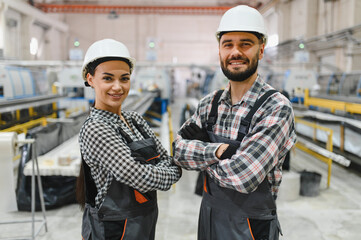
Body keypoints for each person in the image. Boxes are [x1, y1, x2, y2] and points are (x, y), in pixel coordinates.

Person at [173, 5, 296, 240]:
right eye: (228, 44)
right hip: (209, 217)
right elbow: (178, 151)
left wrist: (199, 154)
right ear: (219, 51)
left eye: (245, 44)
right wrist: (220, 151)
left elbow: (244, 176)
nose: (235, 52)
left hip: (250, 227)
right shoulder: (209, 104)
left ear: (260, 51)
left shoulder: (276, 107)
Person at [77, 39, 181, 240]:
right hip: (114, 228)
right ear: (90, 79)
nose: (117, 87)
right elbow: (138, 176)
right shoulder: (96, 128)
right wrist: (171, 174)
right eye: (108, 78)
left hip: (143, 221)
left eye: (124, 79)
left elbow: (167, 161)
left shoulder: (135, 120)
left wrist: (167, 170)